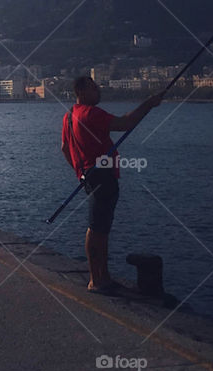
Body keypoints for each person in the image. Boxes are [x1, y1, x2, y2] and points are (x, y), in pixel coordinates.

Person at [61, 75, 162, 294]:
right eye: (94, 87)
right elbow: (125, 124)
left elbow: (64, 148)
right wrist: (148, 104)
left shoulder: (69, 116)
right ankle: (96, 280)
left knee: (99, 227)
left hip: (89, 176)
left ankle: (102, 277)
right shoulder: (91, 113)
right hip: (103, 177)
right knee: (98, 229)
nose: (98, 90)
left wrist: (80, 173)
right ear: (82, 92)